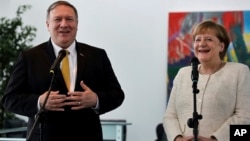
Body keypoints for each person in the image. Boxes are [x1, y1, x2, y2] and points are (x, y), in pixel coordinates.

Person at [2, 1, 125, 141]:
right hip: (45, 137)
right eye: (57, 19)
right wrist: (39, 102)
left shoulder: (97, 56)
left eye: (69, 19)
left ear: (77, 24)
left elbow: (117, 95)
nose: (64, 24)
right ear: (48, 25)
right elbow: (9, 99)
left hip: (87, 136)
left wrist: (95, 99)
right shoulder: (29, 57)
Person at [163, 20, 250, 141]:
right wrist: (177, 138)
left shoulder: (239, 72)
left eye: (209, 39)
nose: (201, 44)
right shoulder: (183, 73)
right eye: (198, 40)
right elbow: (170, 116)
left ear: (221, 46)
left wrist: (216, 139)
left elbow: (245, 117)